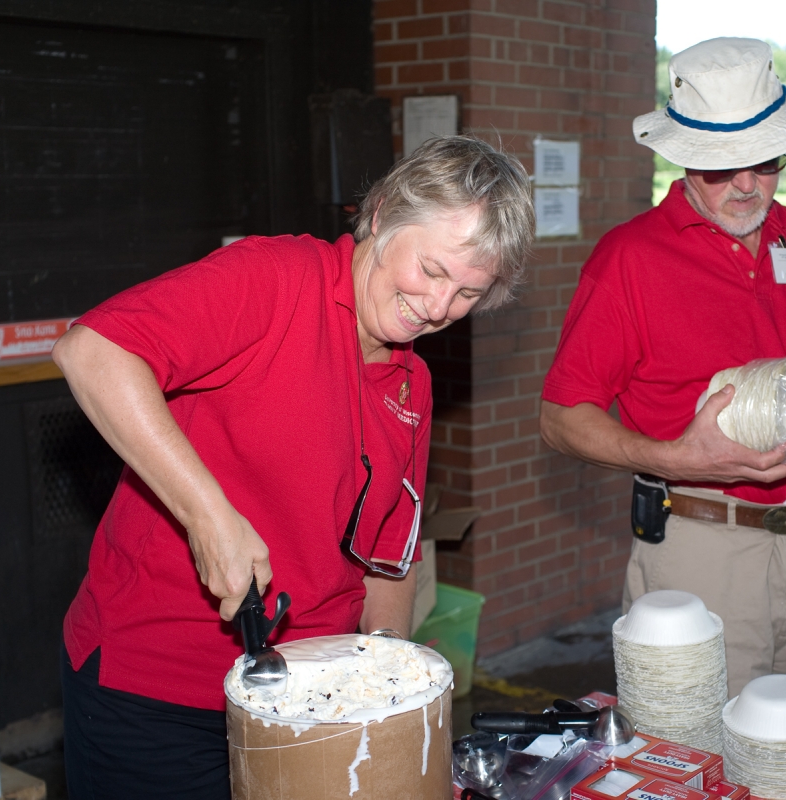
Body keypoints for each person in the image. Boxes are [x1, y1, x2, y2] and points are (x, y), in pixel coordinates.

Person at [52, 135, 535, 800]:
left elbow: (388, 557)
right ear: (385, 211)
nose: (437, 306)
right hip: (160, 685)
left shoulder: (410, 384)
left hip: (311, 696)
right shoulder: (274, 278)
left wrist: (389, 686)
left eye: (468, 293)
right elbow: (94, 352)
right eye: (431, 269)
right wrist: (210, 517)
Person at [539, 38, 786, 702]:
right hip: (703, 545)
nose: (747, 185)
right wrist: (675, 455)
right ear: (682, 157)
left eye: (765, 160)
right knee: (697, 752)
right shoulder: (629, 258)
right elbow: (560, 418)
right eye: (719, 167)